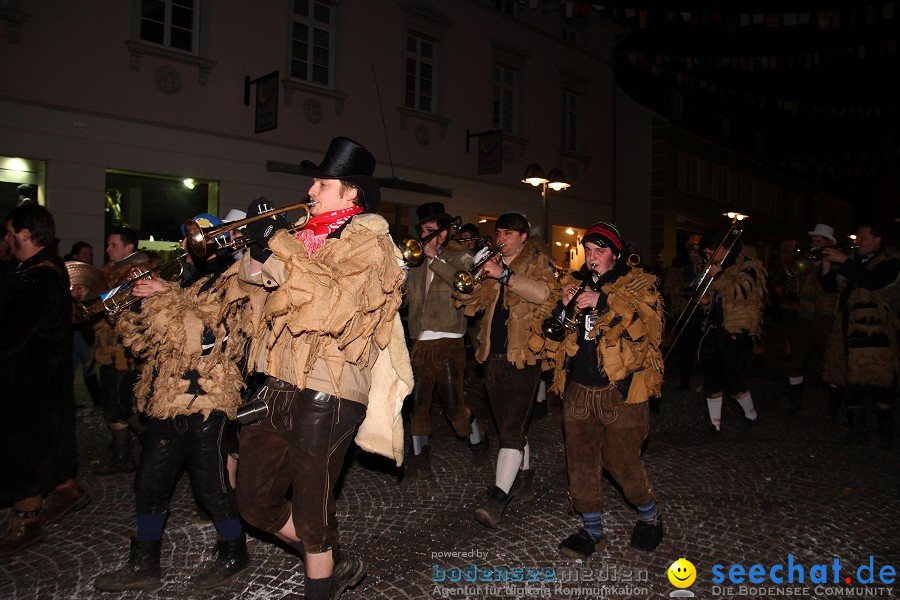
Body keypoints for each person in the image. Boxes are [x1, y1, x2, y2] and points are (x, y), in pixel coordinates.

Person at [234, 137, 412, 600]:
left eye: (322, 182)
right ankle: (336, 558)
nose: (311, 190)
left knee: (313, 505)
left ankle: (320, 581)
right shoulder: (302, 232)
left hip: (331, 380)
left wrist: (277, 244)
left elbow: (334, 304)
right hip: (278, 374)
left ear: (351, 192)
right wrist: (257, 248)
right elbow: (254, 286)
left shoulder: (372, 242)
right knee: (252, 501)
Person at [93, 214, 251, 592]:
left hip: (205, 398)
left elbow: (204, 338)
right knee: (149, 482)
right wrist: (132, 306)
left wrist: (163, 295)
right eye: (186, 238)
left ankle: (234, 551)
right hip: (166, 396)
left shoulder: (233, 281)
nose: (185, 245)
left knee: (211, 487)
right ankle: (144, 562)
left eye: (195, 237)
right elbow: (151, 343)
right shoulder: (179, 280)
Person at [541, 222, 665, 558]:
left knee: (621, 462)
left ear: (616, 254)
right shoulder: (575, 284)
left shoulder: (638, 284)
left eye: (601, 251)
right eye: (589, 251)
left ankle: (649, 516)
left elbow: (649, 328)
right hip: (579, 388)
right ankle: (592, 529)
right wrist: (561, 307)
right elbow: (551, 334)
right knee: (580, 461)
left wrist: (605, 299)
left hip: (620, 390)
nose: (593, 258)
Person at [454, 212, 557, 529]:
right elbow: (471, 302)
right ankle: (525, 476)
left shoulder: (538, 261)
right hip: (492, 355)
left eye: (508, 233)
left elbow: (546, 295)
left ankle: (498, 499)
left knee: (511, 429)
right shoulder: (491, 259)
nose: (501, 238)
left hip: (524, 356)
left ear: (524, 237)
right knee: (509, 425)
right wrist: (472, 282)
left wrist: (505, 275)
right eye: (499, 233)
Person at [0, 203, 90, 557]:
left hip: (29, 381)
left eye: (10, 233)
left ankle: (27, 518)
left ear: (24, 235)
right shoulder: (44, 272)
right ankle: (66, 488)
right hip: (42, 377)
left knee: (26, 448)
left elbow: (10, 336)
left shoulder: (38, 278)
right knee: (49, 436)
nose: (7, 239)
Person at [403, 202, 488, 483]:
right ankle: (420, 457)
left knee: (453, 405)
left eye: (430, 230)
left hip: (449, 342)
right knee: (418, 405)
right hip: (419, 341)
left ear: (443, 232)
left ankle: (478, 441)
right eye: (422, 230)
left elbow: (463, 283)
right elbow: (405, 299)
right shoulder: (415, 261)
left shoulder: (461, 255)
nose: (424, 236)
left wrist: (435, 259)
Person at [820, 224, 900, 448]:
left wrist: (845, 262)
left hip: (875, 331)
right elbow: (829, 287)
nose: (858, 241)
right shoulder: (853, 261)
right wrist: (827, 262)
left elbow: (872, 282)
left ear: (878, 240)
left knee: (880, 381)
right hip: (847, 331)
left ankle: (886, 428)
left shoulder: (890, 262)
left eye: (863, 238)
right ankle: (857, 429)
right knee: (849, 381)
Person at [698, 228, 767, 436]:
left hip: (737, 331)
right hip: (714, 329)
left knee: (731, 379)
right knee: (710, 378)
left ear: (725, 249)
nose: (707, 258)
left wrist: (718, 275)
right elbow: (717, 298)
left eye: (711, 253)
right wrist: (706, 301)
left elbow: (741, 292)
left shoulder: (748, 266)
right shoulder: (718, 268)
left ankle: (751, 415)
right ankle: (715, 425)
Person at [93, 226, 150, 474]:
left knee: (122, 405)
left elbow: (135, 312)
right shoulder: (110, 272)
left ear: (130, 248)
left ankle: (152, 442)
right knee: (110, 405)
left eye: (113, 244)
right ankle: (122, 454)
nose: (107, 249)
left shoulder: (138, 272)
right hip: (107, 350)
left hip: (125, 352)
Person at [784, 224, 839, 417]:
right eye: (813, 241)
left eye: (819, 241)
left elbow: (837, 287)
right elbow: (793, 289)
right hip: (805, 318)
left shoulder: (839, 263)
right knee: (796, 362)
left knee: (831, 363)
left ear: (829, 243)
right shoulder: (806, 264)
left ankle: (834, 405)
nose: (815, 244)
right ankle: (795, 402)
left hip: (828, 319)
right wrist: (798, 270)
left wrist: (825, 265)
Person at [664, 234, 704, 391]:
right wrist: (684, 289)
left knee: (703, 348)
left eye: (697, 250)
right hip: (684, 310)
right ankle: (685, 382)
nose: (695, 253)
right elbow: (671, 286)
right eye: (692, 250)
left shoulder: (705, 264)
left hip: (702, 312)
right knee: (685, 348)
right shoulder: (679, 263)